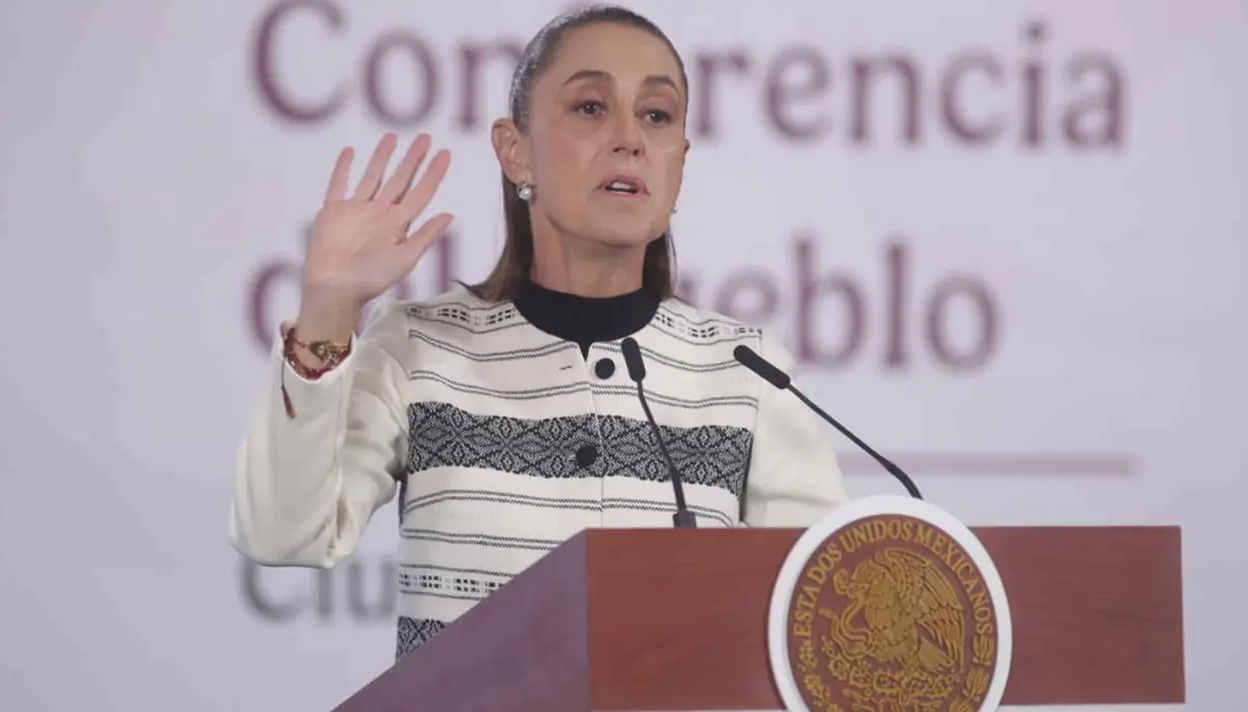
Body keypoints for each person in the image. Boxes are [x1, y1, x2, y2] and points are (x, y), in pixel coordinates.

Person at [229, 3, 849, 660]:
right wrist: (328, 307)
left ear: (679, 162)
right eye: (590, 107)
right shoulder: (420, 348)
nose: (629, 138)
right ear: (515, 152)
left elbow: (830, 617)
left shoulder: (743, 370)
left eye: (656, 115)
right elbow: (282, 535)